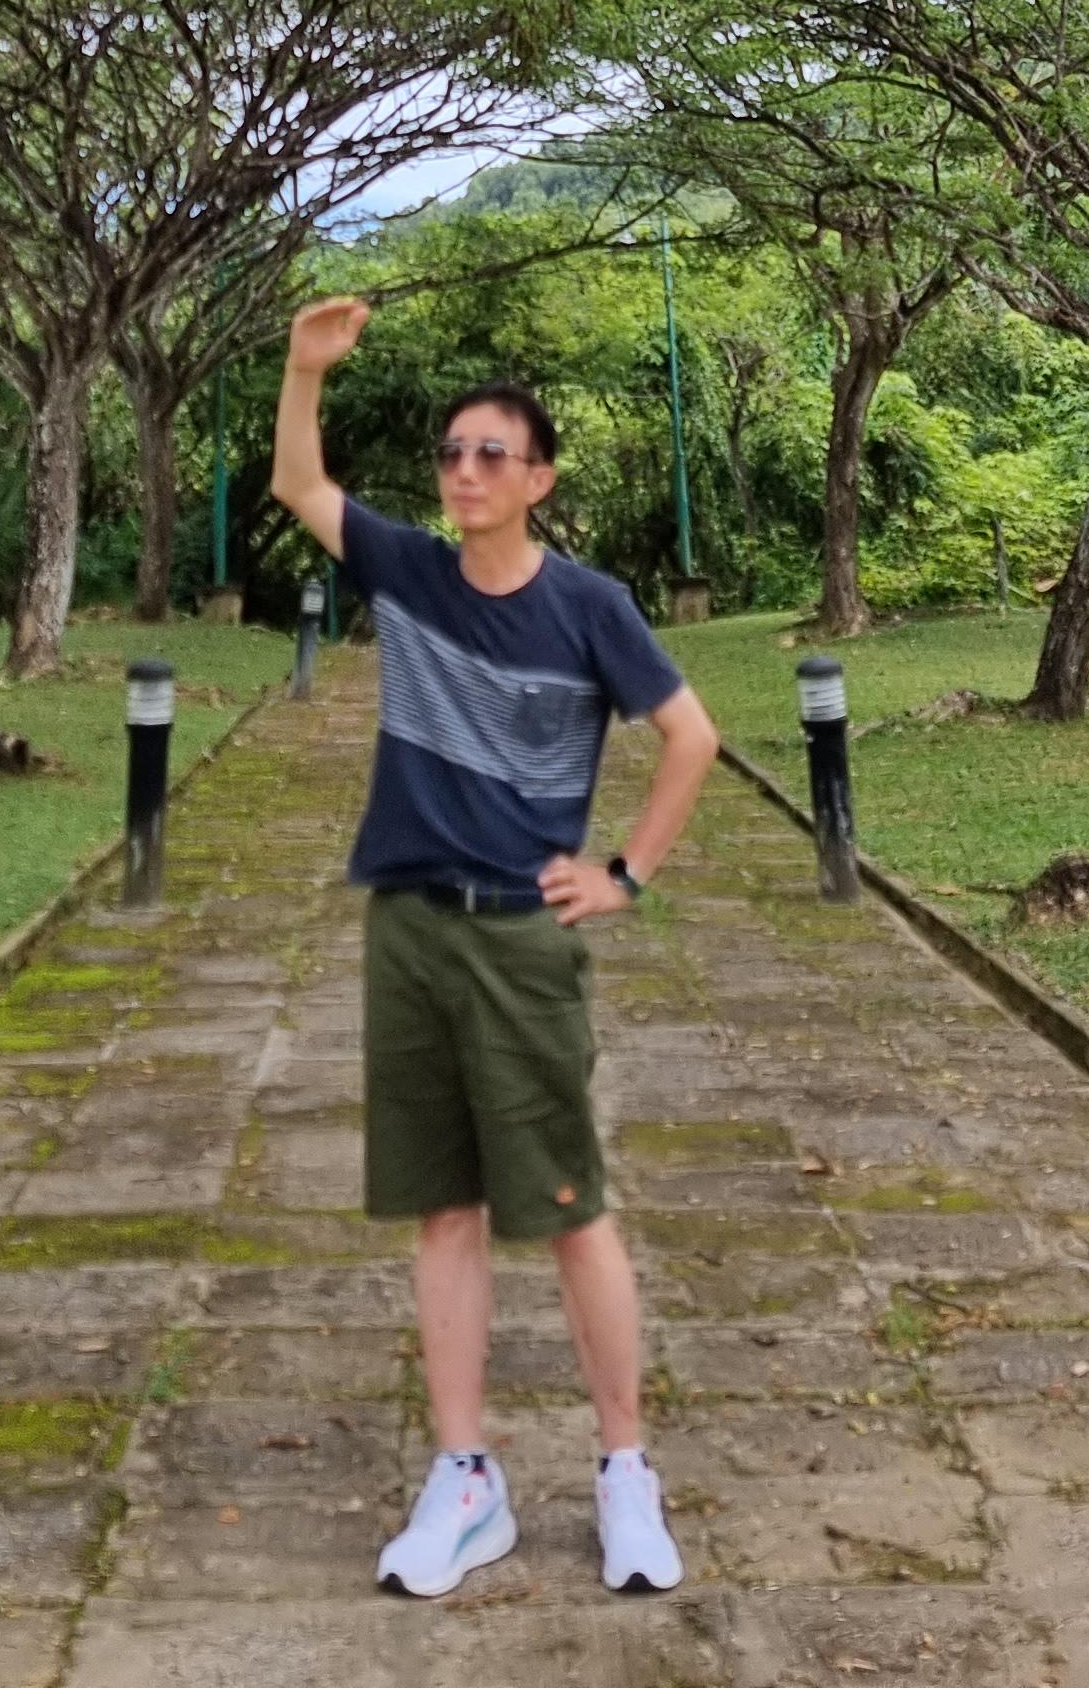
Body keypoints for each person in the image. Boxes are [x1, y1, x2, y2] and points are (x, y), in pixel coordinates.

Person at [269, 292, 724, 1601]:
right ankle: (466, 1479)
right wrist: (305, 369)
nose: (465, 472)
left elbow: (691, 738)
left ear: (539, 480)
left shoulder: (588, 607)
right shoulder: (409, 573)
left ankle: (625, 1470)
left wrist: (625, 874)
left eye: (492, 455)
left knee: (570, 1210)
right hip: (411, 930)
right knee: (445, 1211)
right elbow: (300, 482)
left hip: (525, 942)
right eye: (453, 453)